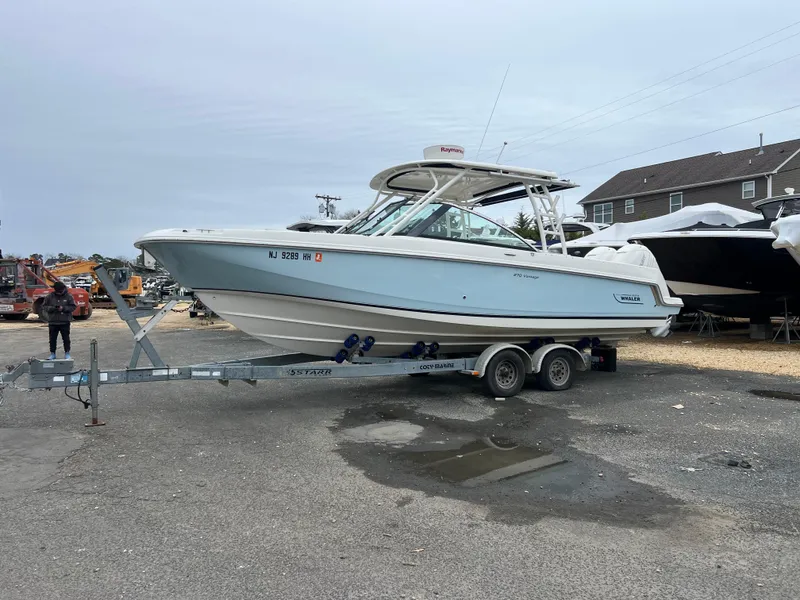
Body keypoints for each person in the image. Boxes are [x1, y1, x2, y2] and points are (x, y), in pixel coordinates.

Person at [44, 281, 76, 360]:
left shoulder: (68, 296)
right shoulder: (49, 297)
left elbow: (73, 307)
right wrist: (53, 308)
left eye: (61, 291)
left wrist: (64, 308)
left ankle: (67, 353)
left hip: (64, 321)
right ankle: (52, 354)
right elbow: (44, 307)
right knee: (52, 339)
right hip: (53, 322)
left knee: (66, 339)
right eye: (58, 291)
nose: (59, 293)